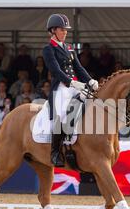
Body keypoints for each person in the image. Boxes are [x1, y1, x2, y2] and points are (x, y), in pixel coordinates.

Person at [42, 14, 98, 166]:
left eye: (66, 30)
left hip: (75, 85)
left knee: (93, 101)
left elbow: (78, 68)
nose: (65, 32)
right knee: (61, 114)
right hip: (61, 87)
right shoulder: (48, 49)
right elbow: (55, 71)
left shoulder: (69, 48)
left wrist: (90, 80)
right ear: (53, 31)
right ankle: (55, 152)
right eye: (62, 29)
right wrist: (71, 83)